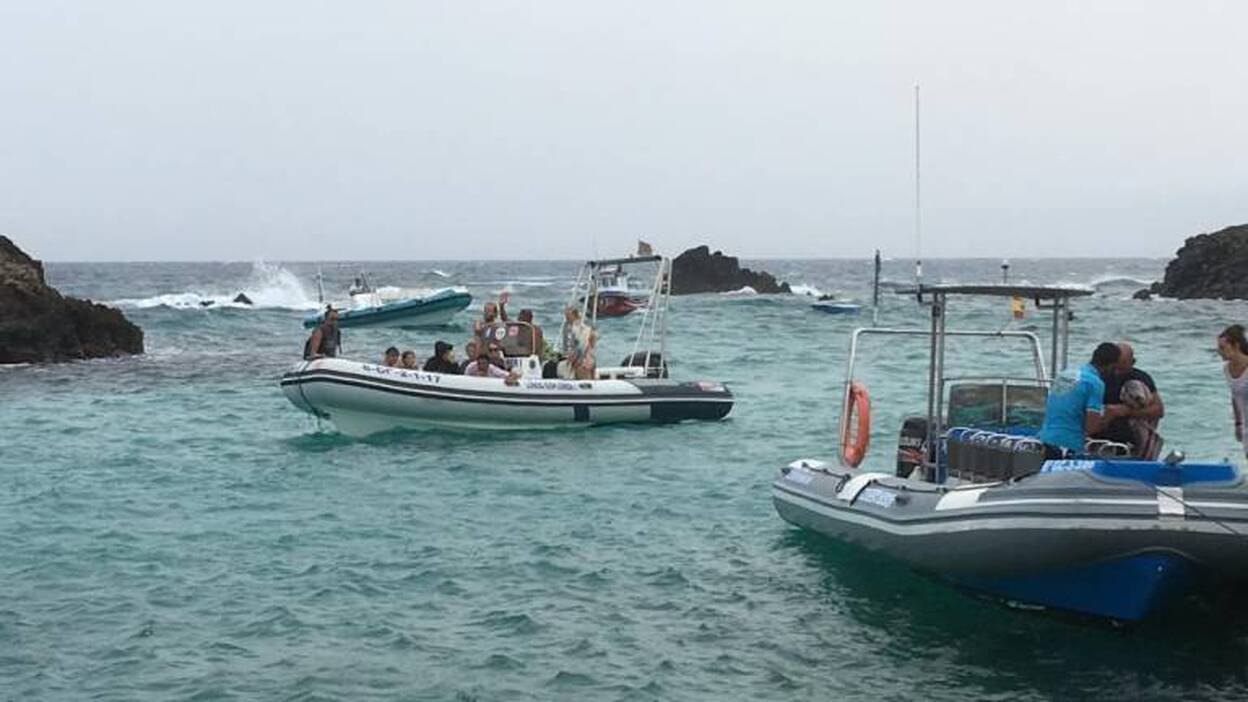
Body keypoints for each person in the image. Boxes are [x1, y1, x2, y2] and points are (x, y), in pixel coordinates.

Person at [1036, 342, 1129, 458]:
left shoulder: (1065, 374)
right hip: (1067, 444)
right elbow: (1091, 428)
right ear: (1111, 366)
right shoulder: (1094, 383)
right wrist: (1111, 414)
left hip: (1044, 437)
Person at [1091, 342, 1165, 458]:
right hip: (1102, 434)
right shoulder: (1101, 376)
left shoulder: (1140, 378)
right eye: (1115, 367)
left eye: (1122, 368)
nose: (1117, 372)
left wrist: (1126, 411)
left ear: (1133, 362)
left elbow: (1158, 410)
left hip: (1131, 433)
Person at [1218, 324, 1248, 459]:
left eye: (1223, 348)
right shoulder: (1227, 369)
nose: (1219, 352)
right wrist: (1238, 424)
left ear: (1236, 346)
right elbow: (1235, 396)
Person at [561, 306, 598, 380]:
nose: (566, 318)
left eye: (567, 316)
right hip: (588, 358)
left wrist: (574, 359)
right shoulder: (583, 327)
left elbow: (580, 346)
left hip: (581, 360)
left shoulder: (576, 328)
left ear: (573, 315)